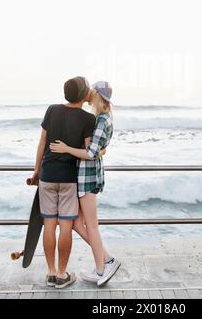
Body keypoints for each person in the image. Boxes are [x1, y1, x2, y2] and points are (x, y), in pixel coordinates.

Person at [50, 81, 120, 287]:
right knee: (75, 223)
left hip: (88, 177)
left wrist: (66, 149)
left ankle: (101, 269)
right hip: (85, 176)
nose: (87, 93)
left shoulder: (101, 119)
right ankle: (107, 259)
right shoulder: (101, 117)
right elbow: (99, 149)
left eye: (91, 90)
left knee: (91, 225)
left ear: (97, 94)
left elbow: (91, 153)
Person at [32, 76, 96, 289]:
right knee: (66, 226)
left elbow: (42, 142)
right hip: (69, 178)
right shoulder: (88, 119)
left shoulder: (52, 110)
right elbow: (88, 152)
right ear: (83, 94)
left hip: (47, 175)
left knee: (49, 224)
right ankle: (62, 274)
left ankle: (50, 273)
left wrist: (36, 170)